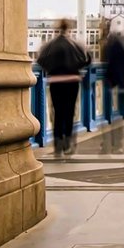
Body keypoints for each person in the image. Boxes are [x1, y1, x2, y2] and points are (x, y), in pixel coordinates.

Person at [36, 19, 89, 157]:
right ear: (69, 29)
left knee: (57, 113)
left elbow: (40, 60)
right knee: (70, 112)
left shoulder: (50, 45)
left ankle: (58, 145)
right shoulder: (75, 44)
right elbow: (86, 60)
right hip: (72, 81)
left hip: (56, 82)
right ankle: (67, 143)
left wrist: (51, 70)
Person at [102, 18, 124, 125]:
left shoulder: (108, 45)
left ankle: (109, 115)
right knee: (121, 95)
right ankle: (121, 113)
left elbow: (105, 60)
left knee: (109, 97)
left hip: (111, 77)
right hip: (121, 77)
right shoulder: (122, 45)